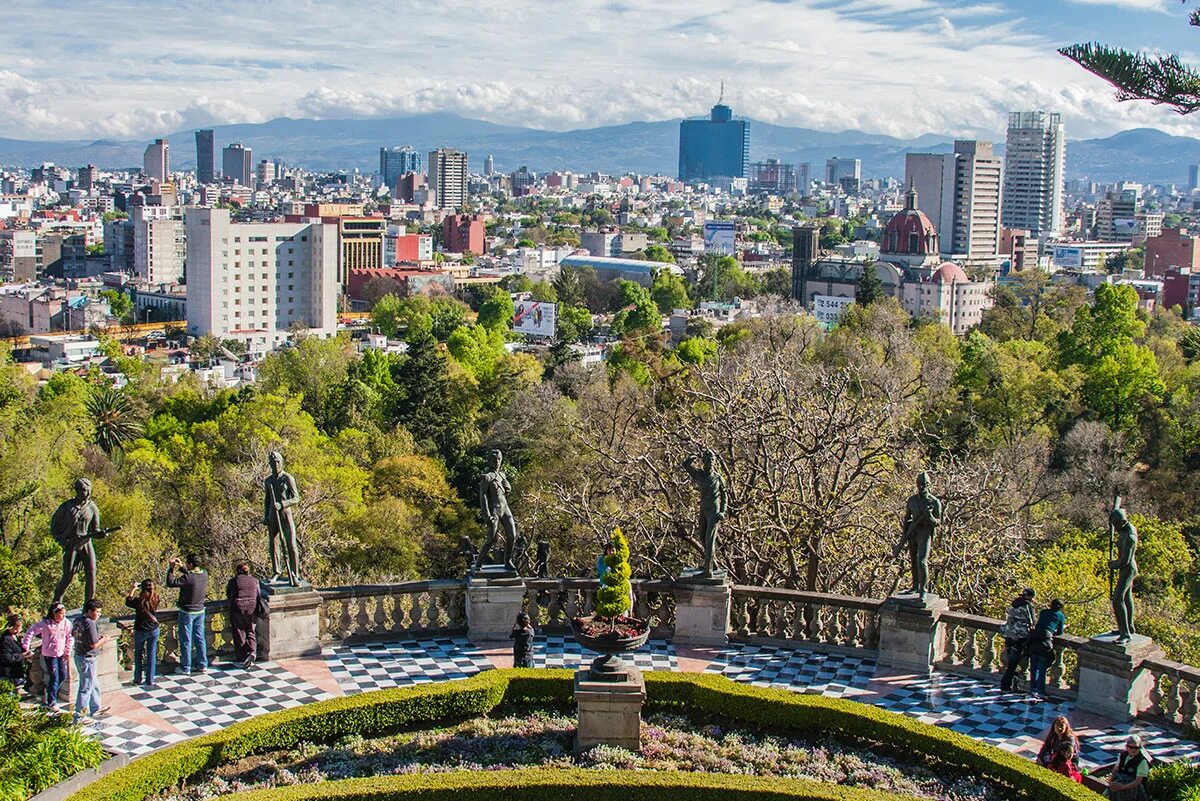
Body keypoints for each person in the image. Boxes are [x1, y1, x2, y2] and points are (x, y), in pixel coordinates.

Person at [892, 472, 942, 599]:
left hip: (925, 533)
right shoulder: (912, 500)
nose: (921, 487)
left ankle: (923, 589)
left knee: (922, 561)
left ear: (929, 485)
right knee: (913, 560)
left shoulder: (934, 502)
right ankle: (915, 586)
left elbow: (938, 522)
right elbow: (907, 518)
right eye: (920, 484)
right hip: (913, 532)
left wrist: (929, 516)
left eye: (924, 484)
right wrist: (905, 535)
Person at [681, 449, 728, 578]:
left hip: (714, 509)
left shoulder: (718, 478)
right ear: (704, 461)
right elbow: (685, 465)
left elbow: (725, 496)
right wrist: (694, 455)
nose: (711, 462)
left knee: (710, 539)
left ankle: (708, 571)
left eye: (712, 460)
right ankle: (713, 564)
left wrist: (723, 511)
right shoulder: (700, 475)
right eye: (708, 460)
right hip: (703, 508)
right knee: (702, 536)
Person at [22, 602, 71, 710]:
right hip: (49, 654)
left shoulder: (66, 623)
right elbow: (31, 631)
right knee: (54, 676)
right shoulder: (45, 624)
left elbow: (69, 637)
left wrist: (67, 651)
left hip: (61, 653)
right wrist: (26, 645)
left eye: (63, 614)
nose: (62, 616)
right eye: (60, 614)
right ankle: (51, 702)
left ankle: (49, 692)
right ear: (54, 613)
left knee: (62, 675)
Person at [263, 451, 302, 585]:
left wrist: (283, 504)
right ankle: (276, 572)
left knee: (291, 544)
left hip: (286, 514)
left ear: (282, 462)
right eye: (273, 463)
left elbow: (296, 497)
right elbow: (267, 500)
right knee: (273, 546)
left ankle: (294, 573)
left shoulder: (288, 478)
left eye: (278, 462)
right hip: (273, 515)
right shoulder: (268, 480)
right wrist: (266, 515)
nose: (276, 465)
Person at [166, 554, 208, 675]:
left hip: (188, 612)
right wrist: (181, 567)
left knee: (186, 640)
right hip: (200, 610)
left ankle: (185, 667)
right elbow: (192, 575)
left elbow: (171, 583)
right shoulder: (204, 574)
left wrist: (171, 568)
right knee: (200, 638)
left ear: (190, 564)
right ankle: (203, 664)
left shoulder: (188, 577)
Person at [71, 598, 108, 724]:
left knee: (94, 683)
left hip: (79, 655)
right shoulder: (90, 623)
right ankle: (79, 715)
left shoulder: (78, 620)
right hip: (87, 658)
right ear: (90, 611)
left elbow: (76, 634)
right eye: (97, 612)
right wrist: (104, 639)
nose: (99, 614)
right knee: (86, 686)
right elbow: (93, 644)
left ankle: (95, 707)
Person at [1027, 598, 1066, 701]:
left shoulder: (1043, 612)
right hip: (1045, 642)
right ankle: (1040, 691)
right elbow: (1060, 631)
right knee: (1042, 668)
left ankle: (1032, 689)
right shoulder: (1060, 616)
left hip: (1035, 639)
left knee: (1034, 666)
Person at [124, 579, 161, 686]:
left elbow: (128, 601)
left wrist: (132, 589)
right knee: (151, 654)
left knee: (138, 654)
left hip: (140, 630)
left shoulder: (139, 601)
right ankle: (150, 679)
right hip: (154, 629)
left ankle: (137, 678)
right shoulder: (156, 599)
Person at [1000, 588, 1037, 692]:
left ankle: (1013, 680)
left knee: (1010, 660)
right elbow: (1032, 621)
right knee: (1013, 662)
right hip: (1019, 636)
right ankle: (1005, 684)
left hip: (1008, 634)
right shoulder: (1027, 606)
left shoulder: (1014, 603)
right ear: (1030, 596)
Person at [226, 561, 261, 669]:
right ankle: (252, 652)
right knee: (250, 631)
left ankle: (241, 658)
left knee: (239, 632)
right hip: (252, 607)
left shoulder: (233, 581)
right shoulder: (255, 580)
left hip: (238, 607)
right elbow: (258, 594)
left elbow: (228, 594)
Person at [1106, 735, 1151, 801]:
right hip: (1120, 782)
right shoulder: (1123, 755)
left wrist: (1123, 787)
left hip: (1133, 788)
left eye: (1136, 748)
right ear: (1126, 747)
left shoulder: (1142, 761)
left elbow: (1138, 781)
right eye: (1131, 747)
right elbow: (1115, 769)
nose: (1133, 750)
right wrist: (1111, 782)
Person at [0, 613, 28, 691]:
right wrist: (22, 655)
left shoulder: (16, 636)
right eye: (16, 629)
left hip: (16, 672)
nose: (18, 631)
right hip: (8, 674)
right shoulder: (5, 639)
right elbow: (6, 657)